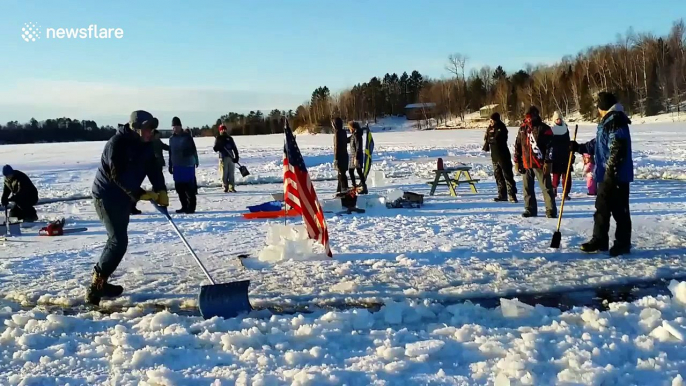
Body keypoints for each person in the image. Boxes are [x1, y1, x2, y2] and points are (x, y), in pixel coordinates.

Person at [88, 111, 169, 305]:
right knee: (118, 241)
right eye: (148, 129)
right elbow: (117, 176)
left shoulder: (146, 145)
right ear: (137, 128)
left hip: (124, 197)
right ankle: (96, 287)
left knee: (118, 240)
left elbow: (153, 169)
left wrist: (161, 190)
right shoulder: (116, 144)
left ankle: (101, 282)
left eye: (152, 129)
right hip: (106, 196)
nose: (151, 132)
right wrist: (139, 193)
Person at [571, 92, 633, 256]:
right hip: (606, 174)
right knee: (602, 209)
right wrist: (579, 148)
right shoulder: (608, 121)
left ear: (602, 107)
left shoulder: (616, 122)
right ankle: (599, 240)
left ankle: (622, 243)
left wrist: (611, 173)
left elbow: (617, 149)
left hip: (615, 175)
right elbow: (599, 144)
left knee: (620, 211)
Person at [514, 106, 557, 218]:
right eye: (527, 116)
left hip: (540, 163)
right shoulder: (522, 129)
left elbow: (550, 147)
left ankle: (551, 210)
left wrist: (548, 161)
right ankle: (530, 209)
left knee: (546, 188)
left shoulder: (544, 128)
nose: (528, 119)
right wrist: (517, 161)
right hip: (526, 163)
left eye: (530, 116)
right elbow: (518, 145)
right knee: (527, 188)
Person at [131, 127, 169, 215]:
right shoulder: (143, 143)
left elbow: (165, 147)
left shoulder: (157, 141)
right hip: (142, 166)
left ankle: (162, 200)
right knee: (135, 186)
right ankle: (131, 205)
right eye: (155, 135)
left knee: (159, 183)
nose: (157, 137)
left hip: (156, 165)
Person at [482, 112, 517, 202]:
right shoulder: (489, 128)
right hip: (494, 156)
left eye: (492, 120)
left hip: (503, 155)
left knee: (507, 176)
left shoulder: (501, 127)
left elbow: (497, 139)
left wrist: (491, 139)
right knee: (498, 176)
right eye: (490, 120)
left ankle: (512, 195)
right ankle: (502, 194)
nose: (491, 122)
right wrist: (489, 140)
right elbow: (487, 139)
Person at [169, 116, 199, 213]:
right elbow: (171, 152)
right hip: (177, 166)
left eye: (177, 126)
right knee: (179, 188)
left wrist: (185, 153)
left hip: (187, 165)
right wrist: (170, 164)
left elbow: (193, 149)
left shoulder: (187, 137)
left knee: (189, 188)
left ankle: (191, 207)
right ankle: (184, 206)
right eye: (173, 126)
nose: (175, 128)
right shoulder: (172, 139)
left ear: (180, 126)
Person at [550, 111, 573, 200]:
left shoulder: (565, 127)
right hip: (556, 154)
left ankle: (566, 193)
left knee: (566, 174)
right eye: (557, 119)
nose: (559, 120)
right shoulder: (552, 129)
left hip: (565, 153)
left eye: (560, 119)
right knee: (556, 174)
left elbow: (568, 140)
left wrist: (570, 147)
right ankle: (554, 188)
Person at [213, 124, 239, 193]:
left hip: (231, 158)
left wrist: (236, 157)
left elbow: (234, 148)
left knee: (231, 174)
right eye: (222, 129)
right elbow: (215, 149)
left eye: (224, 129)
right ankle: (225, 186)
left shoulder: (230, 138)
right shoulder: (218, 138)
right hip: (223, 158)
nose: (223, 130)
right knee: (224, 174)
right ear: (220, 131)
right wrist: (219, 145)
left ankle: (231, 187)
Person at [347, 121, 368, 194]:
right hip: (353, 156)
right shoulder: (354, 135)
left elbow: (358, 147)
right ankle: (356, 186)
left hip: (356, 156)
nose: (349, 130)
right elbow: (347, 140)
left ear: (353, 128)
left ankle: (363, 187)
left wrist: (356, 157)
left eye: (349, 128)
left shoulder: (357, 135)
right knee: (351, 171)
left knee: (358, 171)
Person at [333, 117, 349, 193]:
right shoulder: (344, 132)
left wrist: (336, 159)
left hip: (340, 157)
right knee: (342, 174)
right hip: (345, 156)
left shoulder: (337, 133)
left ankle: (344, 189)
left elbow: (337, 147)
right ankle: (339, 189)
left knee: (341, 174)